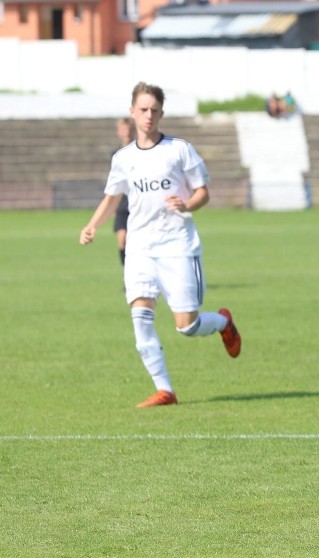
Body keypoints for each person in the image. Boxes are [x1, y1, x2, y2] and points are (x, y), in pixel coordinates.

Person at [79, 82, 242, 408]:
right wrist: (92, 225)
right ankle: (165, 390)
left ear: (161, 113)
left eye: (154, 110)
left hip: (177, 246)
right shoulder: (123, 158)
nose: (148, 115)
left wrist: (186, 205)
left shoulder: (179, 149)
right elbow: (113, 196)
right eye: (143, 109)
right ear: (132, 113)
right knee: (140, 317)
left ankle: (223, 322)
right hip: (140, 248)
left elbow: (202, 192)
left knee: (188, 327)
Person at [112, 117, 134, 267]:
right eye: (123, 129)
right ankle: (127, 274)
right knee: (122, 240)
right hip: (121, 203)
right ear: (118, 132)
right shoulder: (115, 155)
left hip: (136, 200)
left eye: (128, 129)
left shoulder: (140, 151)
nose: (126, 132)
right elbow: (113, 182)